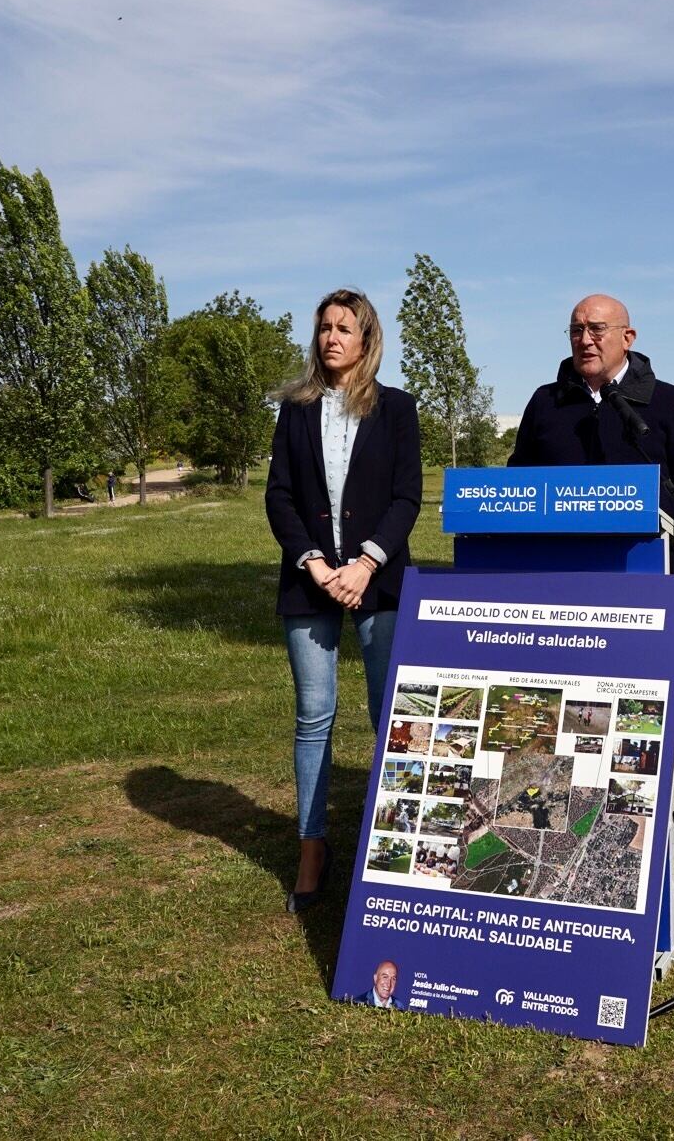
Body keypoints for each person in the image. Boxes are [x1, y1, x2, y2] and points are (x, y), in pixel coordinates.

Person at [266, 288, 422, 913]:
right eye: (324, 327)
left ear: (366, 340)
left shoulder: (398, 408)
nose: (331, 337)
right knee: (314, 716)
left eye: (344, 328)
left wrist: (364, 564)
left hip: (378, 580)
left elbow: (407, 498)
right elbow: (279, 496)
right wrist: (314, 563)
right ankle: (312, 848)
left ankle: (398, 842)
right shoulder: (295, 410)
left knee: (391, 718)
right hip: (309, 582)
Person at [509, 293, 674, 529]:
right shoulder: (544, 401)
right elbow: (517, 487)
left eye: (597, 329)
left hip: (643, 549)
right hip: (557, 548)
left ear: (627, 338)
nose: (585, 340)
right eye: (577, 330)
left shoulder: (666, 399)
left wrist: (639, 507)